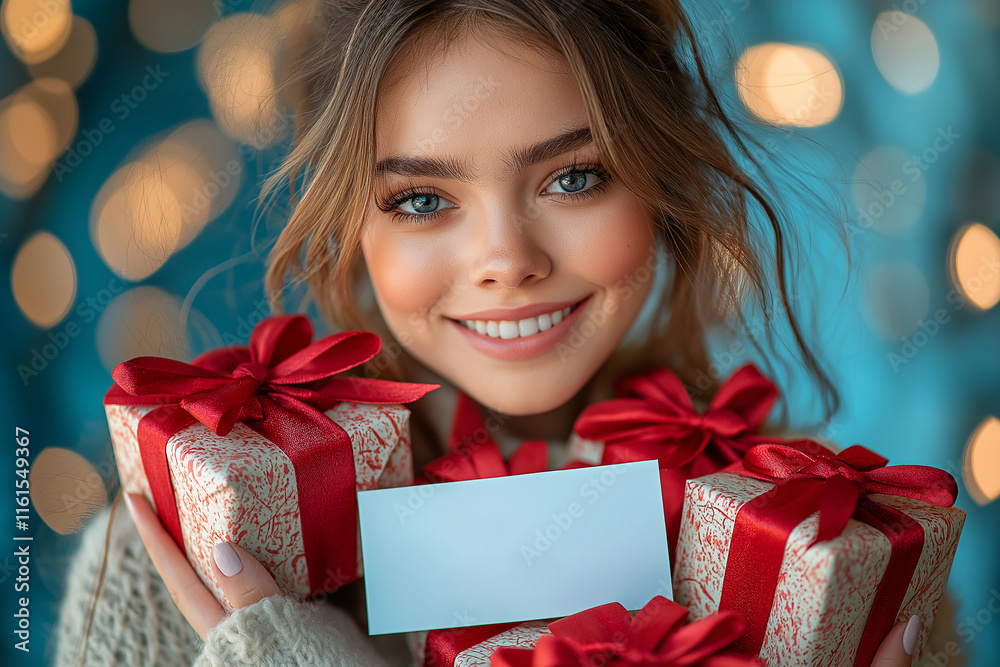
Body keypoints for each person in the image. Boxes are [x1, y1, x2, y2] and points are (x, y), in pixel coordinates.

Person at [53, 1, 962, 665]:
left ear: (657, 176)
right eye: (420, 200)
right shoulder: (174, 552)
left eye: (573, 178)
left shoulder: (832, 542)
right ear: (345, 226)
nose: (506, 258)